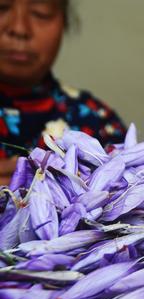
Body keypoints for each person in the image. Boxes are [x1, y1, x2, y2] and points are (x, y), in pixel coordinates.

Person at [0, 0, 125, 185]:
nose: (19, 29)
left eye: (41, 12)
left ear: (64, 21)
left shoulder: (97, 124)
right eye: (1, 8)